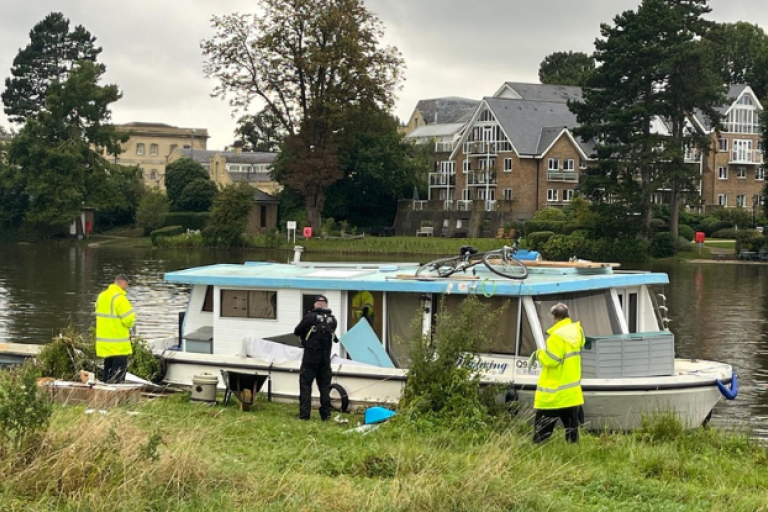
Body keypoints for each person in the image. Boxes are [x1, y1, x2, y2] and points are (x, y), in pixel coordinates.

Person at [530, 302, 585, 443]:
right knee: (572, 432)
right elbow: (582, 344)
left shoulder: (556, 337)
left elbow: (551, 360)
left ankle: (538, 450)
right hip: (571, 392)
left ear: (554, 317)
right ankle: (573, 451)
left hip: (554, 392)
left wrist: (539, 354)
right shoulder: (576, 331)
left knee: (541, 433)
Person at [294, 295, 338, 420]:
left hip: (310, 357)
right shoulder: (332, 320)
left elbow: (297, 331)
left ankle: (304, 415)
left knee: (306, 385)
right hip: (325, 358)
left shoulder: (310, 317)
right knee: (325, 387)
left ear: (314, 305)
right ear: (326, 304)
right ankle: (326, 415)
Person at [95, 274, 136, 384]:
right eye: (126, 284)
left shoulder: (101, 296)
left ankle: (105, 395)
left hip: (105, 344)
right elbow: (129, 321)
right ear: (123, 283)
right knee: (118, 374)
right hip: (119, 343)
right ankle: (116, 397)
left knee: (107, 372)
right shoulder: (120, 298)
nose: (126, 287)